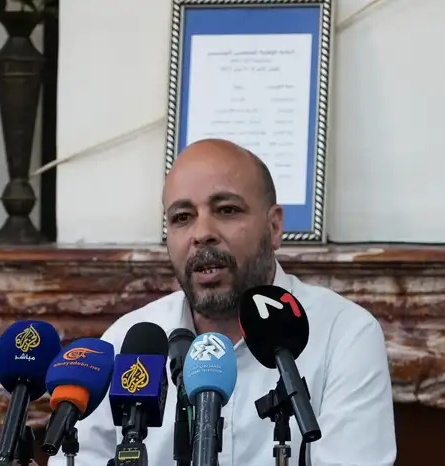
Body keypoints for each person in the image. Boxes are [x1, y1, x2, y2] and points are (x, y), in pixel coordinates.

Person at [49, 139, 397, 466]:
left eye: (227, 210)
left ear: (274, 227)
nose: (202, 233)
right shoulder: (129, 341)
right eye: (182, 217)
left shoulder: (343, 334)